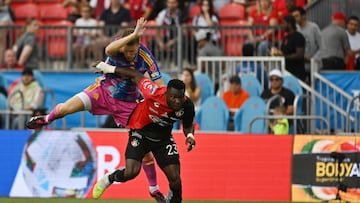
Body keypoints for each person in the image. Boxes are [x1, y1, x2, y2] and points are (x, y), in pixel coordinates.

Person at [26, 18, 166, 202]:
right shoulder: (117, 49)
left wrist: (158, 99)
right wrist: (133, 35)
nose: (131, 54)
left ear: (139, 46)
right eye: (128, 51)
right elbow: (108, 50)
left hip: (128, 104)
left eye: (134, 50)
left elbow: (160, 84)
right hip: (102, 92)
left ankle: (154, 189)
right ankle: (46, 119)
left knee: (144, 146)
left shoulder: (145, 56)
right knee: (66, 109)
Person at [92, 62, 196, 203]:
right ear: (167, 94)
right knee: (131, 172)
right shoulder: (153, 92)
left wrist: (190, 135)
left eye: (180, 97)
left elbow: (188, 125)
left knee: (175, 179)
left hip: (163, 140)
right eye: (173, 98)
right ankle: (109, 178)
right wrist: (108, 68)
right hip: (140, 133)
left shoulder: (187, 105)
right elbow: (135, 75)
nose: (177, 101)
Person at [270, 15, 306, 82]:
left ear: (289, 24)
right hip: (286, 72)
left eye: (284, 23)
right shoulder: (285, 37)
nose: (282, 25)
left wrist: (284, 57)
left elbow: (299, 54)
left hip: (297, 72)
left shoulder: (298, 37)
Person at [291, 6, 321, 81]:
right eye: (293, 16)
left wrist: (313, 59)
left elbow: (322, 46)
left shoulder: (313, 27)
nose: (294, 18)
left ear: (303, 16)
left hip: (312, 65)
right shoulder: (295, 29)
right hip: (299, 66)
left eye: (296, 16)